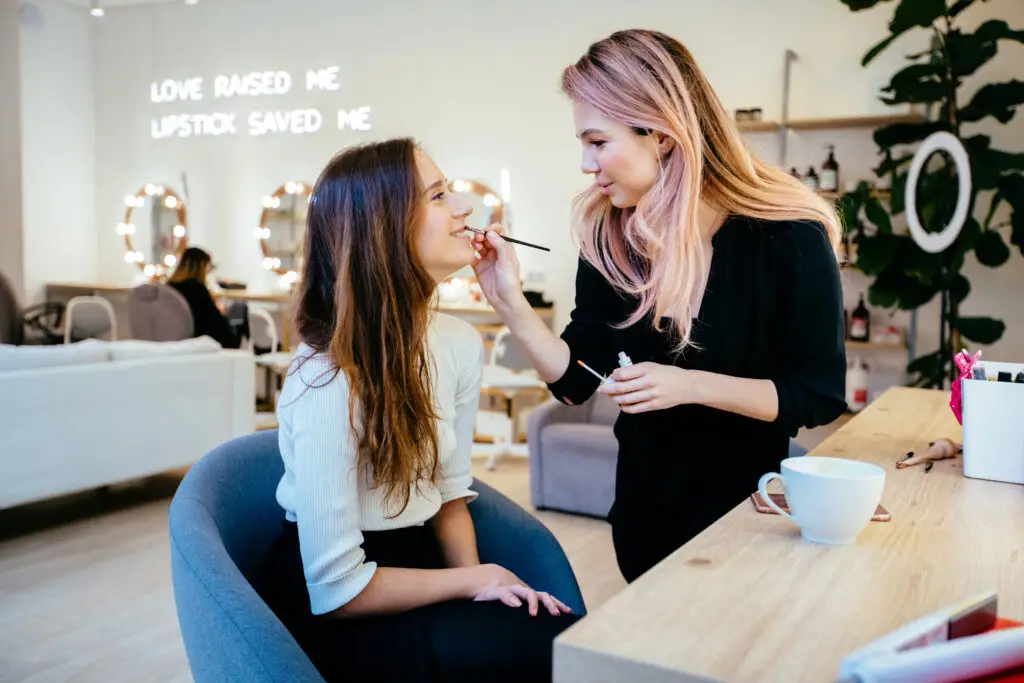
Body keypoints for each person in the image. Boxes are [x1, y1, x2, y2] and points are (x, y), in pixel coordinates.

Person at [472, 29, 847, 583]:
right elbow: (575, 380)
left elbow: (817, 395)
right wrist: (509, 301)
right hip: (643, 523)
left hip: (750, 521)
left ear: (662, 135)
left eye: (598, 142)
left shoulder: (789, 237)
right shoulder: (609, 238)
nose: (586, 163)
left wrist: (689, 386)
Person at [260, 138, 579, 683]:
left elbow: (450, 496)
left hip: (419, 565)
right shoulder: (327, 378)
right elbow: (336, 589)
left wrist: (481, 588)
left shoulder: (457, 344)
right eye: (438, 196)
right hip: (344, 608)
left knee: (564, 640)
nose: (464, 208)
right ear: (384, 229)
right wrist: (474, 581)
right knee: (553, 652)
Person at [167, 247, 242, 349]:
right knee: (239, 309)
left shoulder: (169, 287)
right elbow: (215, 323)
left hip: (175, 340)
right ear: (202, 267)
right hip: (200, 340)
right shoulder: (196, 289)